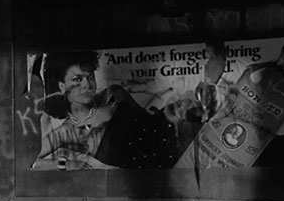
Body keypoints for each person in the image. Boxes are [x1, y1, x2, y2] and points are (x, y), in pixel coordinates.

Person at [33, 50, 178, 170]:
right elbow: (31, 162)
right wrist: (68, 164)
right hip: (147, 183)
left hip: (175, 151)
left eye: (90, 77)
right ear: (62, 87)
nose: (87, 85)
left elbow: (151, 123)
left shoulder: (114, 95)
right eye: (77, 80)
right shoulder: (66, 131)